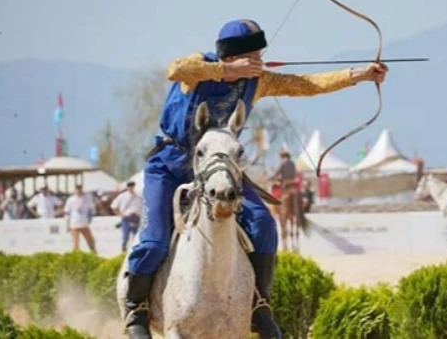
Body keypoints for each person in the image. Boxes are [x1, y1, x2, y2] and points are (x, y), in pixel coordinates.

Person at [121, 18, 388, 339]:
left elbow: (306, 84)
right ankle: (136, 308)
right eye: (255, 55)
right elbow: (175, 69)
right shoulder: (197, 70)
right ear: (233, 55)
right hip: (170, 163)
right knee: (153, 241)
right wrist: (225, 71)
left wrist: (357, 75)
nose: (260, 61)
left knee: (263, 224)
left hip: (220, 167)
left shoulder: (257, 82)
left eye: (261, 55)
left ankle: (259, 305)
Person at [63, 185, 97, 253]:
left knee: (90, 240)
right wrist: (67, 225)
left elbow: (92, 209)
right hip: (74, 223)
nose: (79, 191)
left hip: (84, 223)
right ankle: (76, 254)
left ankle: (93, 253)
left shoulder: (87, 198)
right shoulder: (71, 199)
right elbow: (67, 212)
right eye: (77, 190)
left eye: (80, 190)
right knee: (76, 242)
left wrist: (90, 217)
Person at [111, 181, 144, 252]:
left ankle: (135, 250)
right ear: (127, 187)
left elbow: (142, 206)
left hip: (136, 217)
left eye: (132, 186)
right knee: (125, 236)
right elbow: (113, 206)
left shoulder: (139, 195)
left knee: (136, 236)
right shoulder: (122, 196)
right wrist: (120, 215)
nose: (131, 188)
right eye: (129, 186)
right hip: (126, 217)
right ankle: (124, 249)